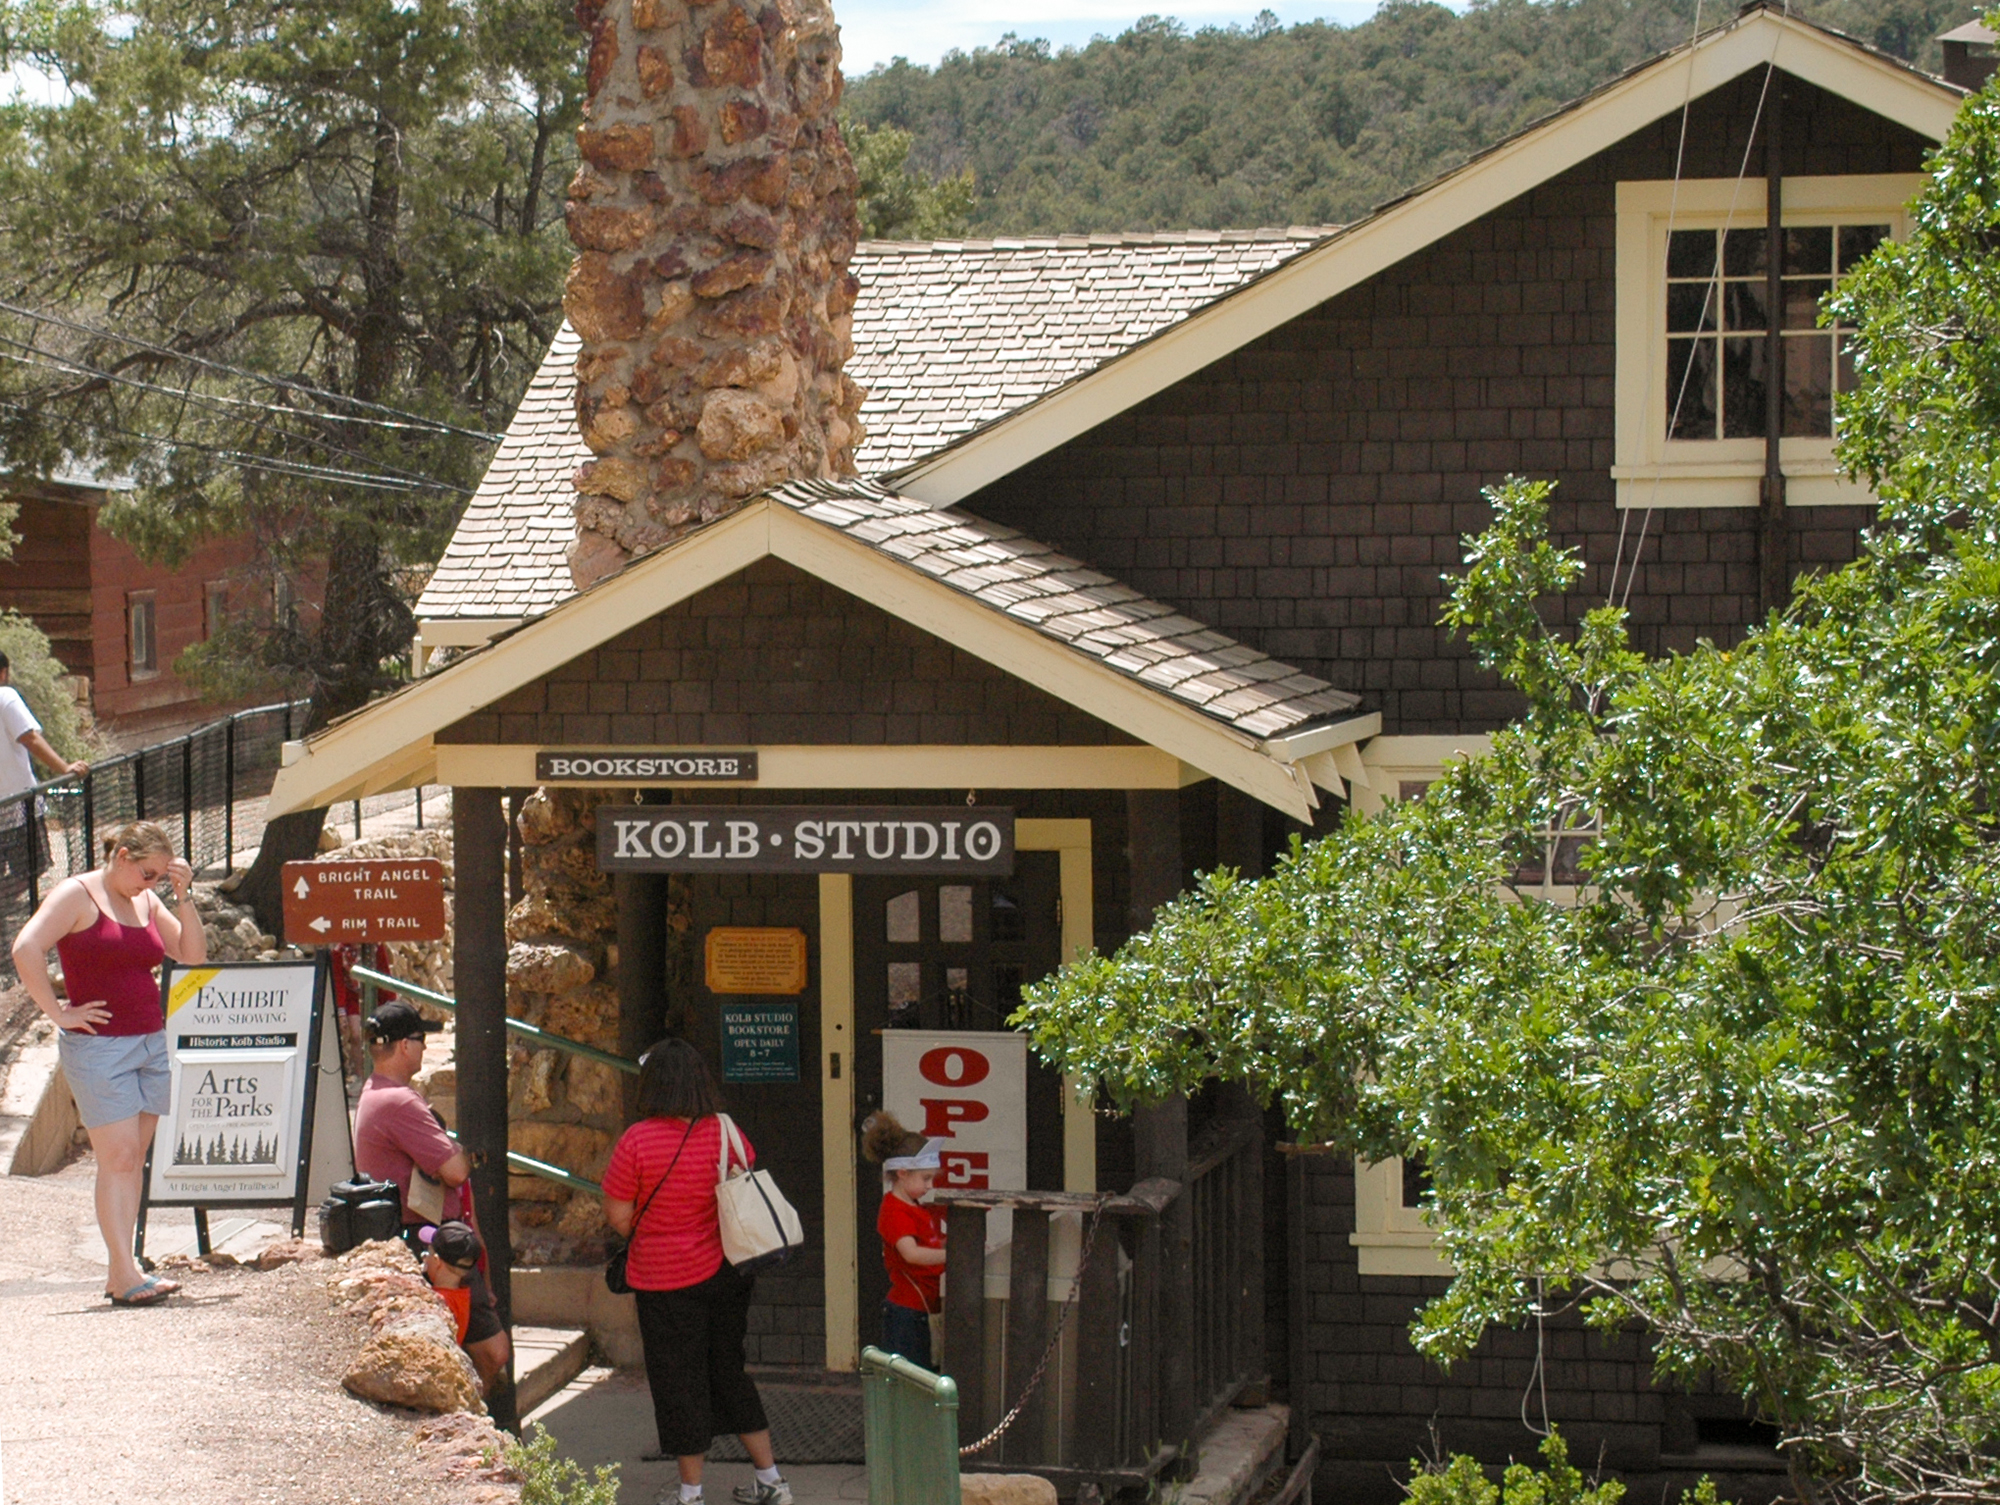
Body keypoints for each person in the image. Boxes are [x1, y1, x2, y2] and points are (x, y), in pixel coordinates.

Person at [12, 819, 202, 1306]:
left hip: (149, 1041)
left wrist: (182, 895)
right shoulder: (76, 895)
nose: (152, 882)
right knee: (117, 1156)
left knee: (131, 1160)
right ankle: (124, 1268)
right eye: (147, 872)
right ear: (121, 858)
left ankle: (125, 1270)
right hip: (98, 1046)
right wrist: (57, 1012)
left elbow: (192, 959)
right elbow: (26, 947)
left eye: (160, 874)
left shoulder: (148, 900)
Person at [602, 1038, 790, 1505]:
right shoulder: (725, 1130)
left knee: (679, 1383)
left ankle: (691, 1494)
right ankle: (771, 1480)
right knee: (729, 1371)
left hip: (664, 1281)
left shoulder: (637, 1141)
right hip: (727, 1274)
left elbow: (620, 1218)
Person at [353, 998, 511, 1392]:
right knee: (492, 1353)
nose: (424, 1049)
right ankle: (469, 1422)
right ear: (405, 1046)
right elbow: (455, 1171)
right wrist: (468, 1153)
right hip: (433, 1246)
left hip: (416, 1239)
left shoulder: (375, 1093)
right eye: (421, 1040)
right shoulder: (400, 1101)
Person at [861, 1111, 947, 1369]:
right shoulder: (894, 1210)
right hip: (908, 1313)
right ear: (902, 1173)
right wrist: (951, 1255)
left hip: (922, 1309)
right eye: (925, 1178)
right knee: (912, 1381)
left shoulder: (914, 1206)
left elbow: (927, 1248)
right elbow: (911, 1254)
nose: (930, 1185)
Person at [0, 651, 87, 893]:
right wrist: (65, 768)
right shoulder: (5, 696)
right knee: (29, 870)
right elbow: (29, 737)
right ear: (3, 673)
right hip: (19, 805)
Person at [421, 1220, 484, 1347]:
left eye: (427, 1254)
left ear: (437, 1261)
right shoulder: (462, 1295)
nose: (424, 1258)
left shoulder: (439, 1302)